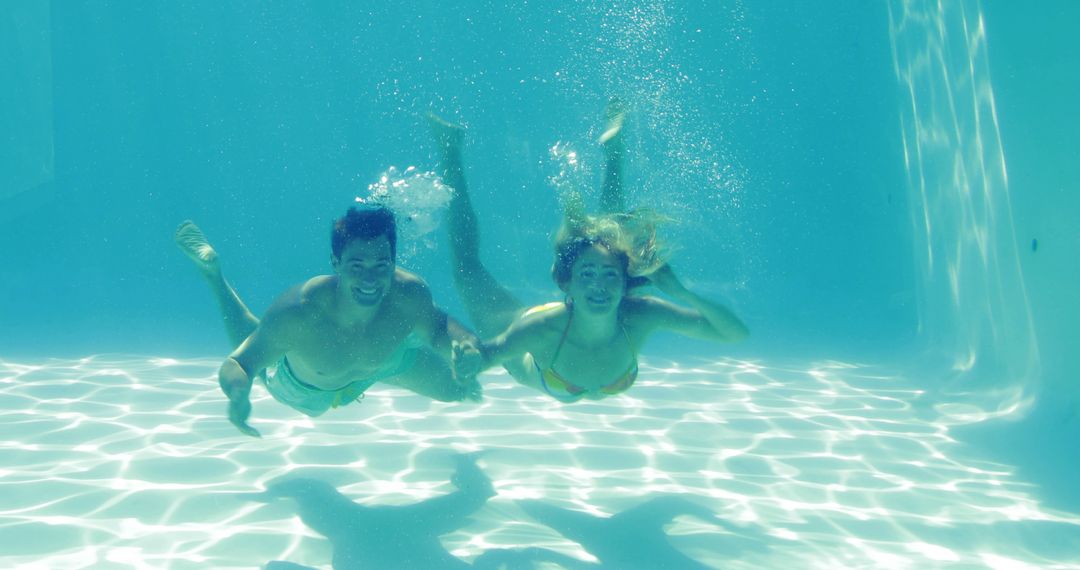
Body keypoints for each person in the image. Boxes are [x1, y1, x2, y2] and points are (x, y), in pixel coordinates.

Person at [430, 101, 748, 403]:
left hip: (563, 357)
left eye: (610, 276)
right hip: (532, 341)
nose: (599, 285)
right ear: (566, 283)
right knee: (467, 268)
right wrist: (470, 362)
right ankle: (450, 151)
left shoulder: (642, 313)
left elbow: (734, 334)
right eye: (586, 275)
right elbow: (490, 354)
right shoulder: (542, 329)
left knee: (612, 241)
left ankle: (614, 155)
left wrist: (681, 291)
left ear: (625, 284)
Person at [174, 205, 482, 437]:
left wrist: (464, 346)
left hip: (384, 362)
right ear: (336, 263)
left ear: (393, 262)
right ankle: (214, 276)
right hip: (307, 389)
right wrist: (239, 392)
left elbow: (440, 328)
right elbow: (240, 363)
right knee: (258, 346)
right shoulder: (300, 313)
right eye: (357, 265)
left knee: (457, 391)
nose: (370, 279)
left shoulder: (409, 294)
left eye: (381, 265)